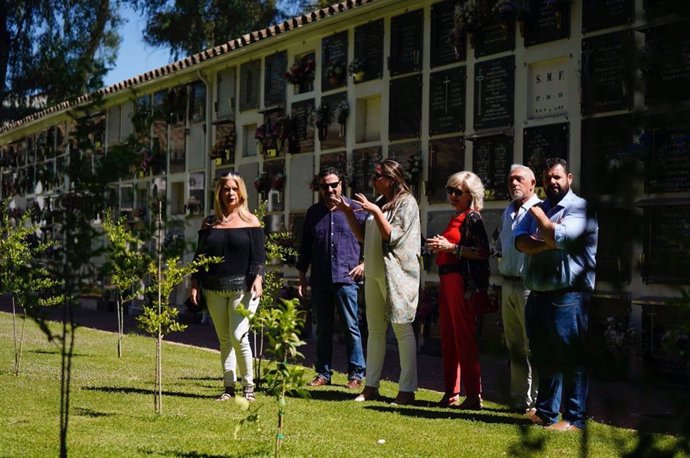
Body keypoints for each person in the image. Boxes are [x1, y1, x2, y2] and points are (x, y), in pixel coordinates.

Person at [515, 158, 598, 431]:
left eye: (557, 177)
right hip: (538, 293)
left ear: (569, 178)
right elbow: (520, 241)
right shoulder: (542, 207)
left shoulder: (579, 208)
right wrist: (546, 242)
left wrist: (539, 217)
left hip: (569, 295)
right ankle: (546, 412)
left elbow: (561, 238)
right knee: (543, 355)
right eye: (548, 177)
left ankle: (575, 418)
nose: (552, 182)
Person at [336, 159, 421, 406]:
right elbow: (363, 236)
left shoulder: (407, 202)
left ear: (392, 178)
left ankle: (407, 390)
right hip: (373, 273)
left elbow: (393, 236)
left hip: (395, 275)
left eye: (377, 176)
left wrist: (373, 210)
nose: (373, 181)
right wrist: (349, 213)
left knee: (402, 329)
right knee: (374, 331)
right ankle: (371, 386)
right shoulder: (382, 202)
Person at [189, 171, 265, 402]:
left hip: (244, 288)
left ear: (241, 192)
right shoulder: (210, 223)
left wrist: (259, 278)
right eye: (225, 189)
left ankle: (248, 387)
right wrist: (194, 284)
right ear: (219, 194)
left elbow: (259, 257)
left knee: (238, 335)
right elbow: (199, 256)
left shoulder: (252, 221)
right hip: (214, 289)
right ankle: (228, 388)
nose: (230, 193)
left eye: (234, 189)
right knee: (224, 340)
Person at [296, 167, 366, 390]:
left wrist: (364, 264)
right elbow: (305, 247)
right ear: (319, 188)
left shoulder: (356, 209)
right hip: (321, 279)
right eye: (325, 186)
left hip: (346, 277)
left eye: (333, 185)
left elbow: (371, 240)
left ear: (341, 184)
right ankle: (323, 373)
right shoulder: (313, 213)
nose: (329, 189)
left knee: (350, 327)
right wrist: (301, 278)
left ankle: (356, 374)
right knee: (323, 327)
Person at [426, 171, 489, 410]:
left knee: (464, 338)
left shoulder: (473, 218)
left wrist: (452, 247)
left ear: (470, 195)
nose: (452, 195)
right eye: (449, 190)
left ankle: (474, 395)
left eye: (457, 192)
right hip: (447, 280)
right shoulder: (457, 216)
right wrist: (441, 247)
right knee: (448, 338)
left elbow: (483, 252)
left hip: (461, 282)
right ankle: (451, 392)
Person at [496, 164, 541, 413]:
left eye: (520, 179)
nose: (514, 183)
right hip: (508, 284)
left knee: (531, 344)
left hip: (528, 286)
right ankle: (518, 399)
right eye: (511, 179)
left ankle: (536, 401)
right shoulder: (507, 211)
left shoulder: (538, 210)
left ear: (532, 183)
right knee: (514, 345)